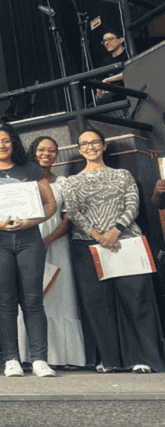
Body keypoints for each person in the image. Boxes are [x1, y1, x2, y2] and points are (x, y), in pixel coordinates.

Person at [62, 129, 165, 373]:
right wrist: (98, 236)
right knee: (99, 305)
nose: (90, 147)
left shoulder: (122, 175)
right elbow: (74, 213)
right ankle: (111, 361)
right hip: (87, 246)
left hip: (126, 242)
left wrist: (115, 231)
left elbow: (133, 204)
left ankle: (144, 359)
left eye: (95, 142)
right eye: (85, 144)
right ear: (79, 149)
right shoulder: (72, 181)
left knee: (137, 301)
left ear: (104, 145)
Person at [0, 123, 57, 378]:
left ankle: (39, 359)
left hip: (29, 238)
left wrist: (31, 221)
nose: (0, 146)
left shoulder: (31, 169)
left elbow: (50, 203)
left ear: (13, 142)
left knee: (33, 300)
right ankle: (11, 359)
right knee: (5, 301)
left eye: (5, 140)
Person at [17, 137, 85, 368]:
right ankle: (31, 355)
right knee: (33, 297)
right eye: (41, 149)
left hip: (56, 242)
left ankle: (64, 356)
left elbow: (68, 218)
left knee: (61, 295)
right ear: (33, 152)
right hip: (27, 240)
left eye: (52, 150)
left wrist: (47, 240)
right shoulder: (22, 179)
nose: (46, 153)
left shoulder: (63, 182)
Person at [94, 30, 128, 104]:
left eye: (110, 39)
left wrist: (108, 80)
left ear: (121, 40)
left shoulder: (129, 53)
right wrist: (100, 90)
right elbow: (100, 79)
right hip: (113, 93)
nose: (106, 43)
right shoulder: (105, 62)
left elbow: (130, 71)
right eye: (104, 41)